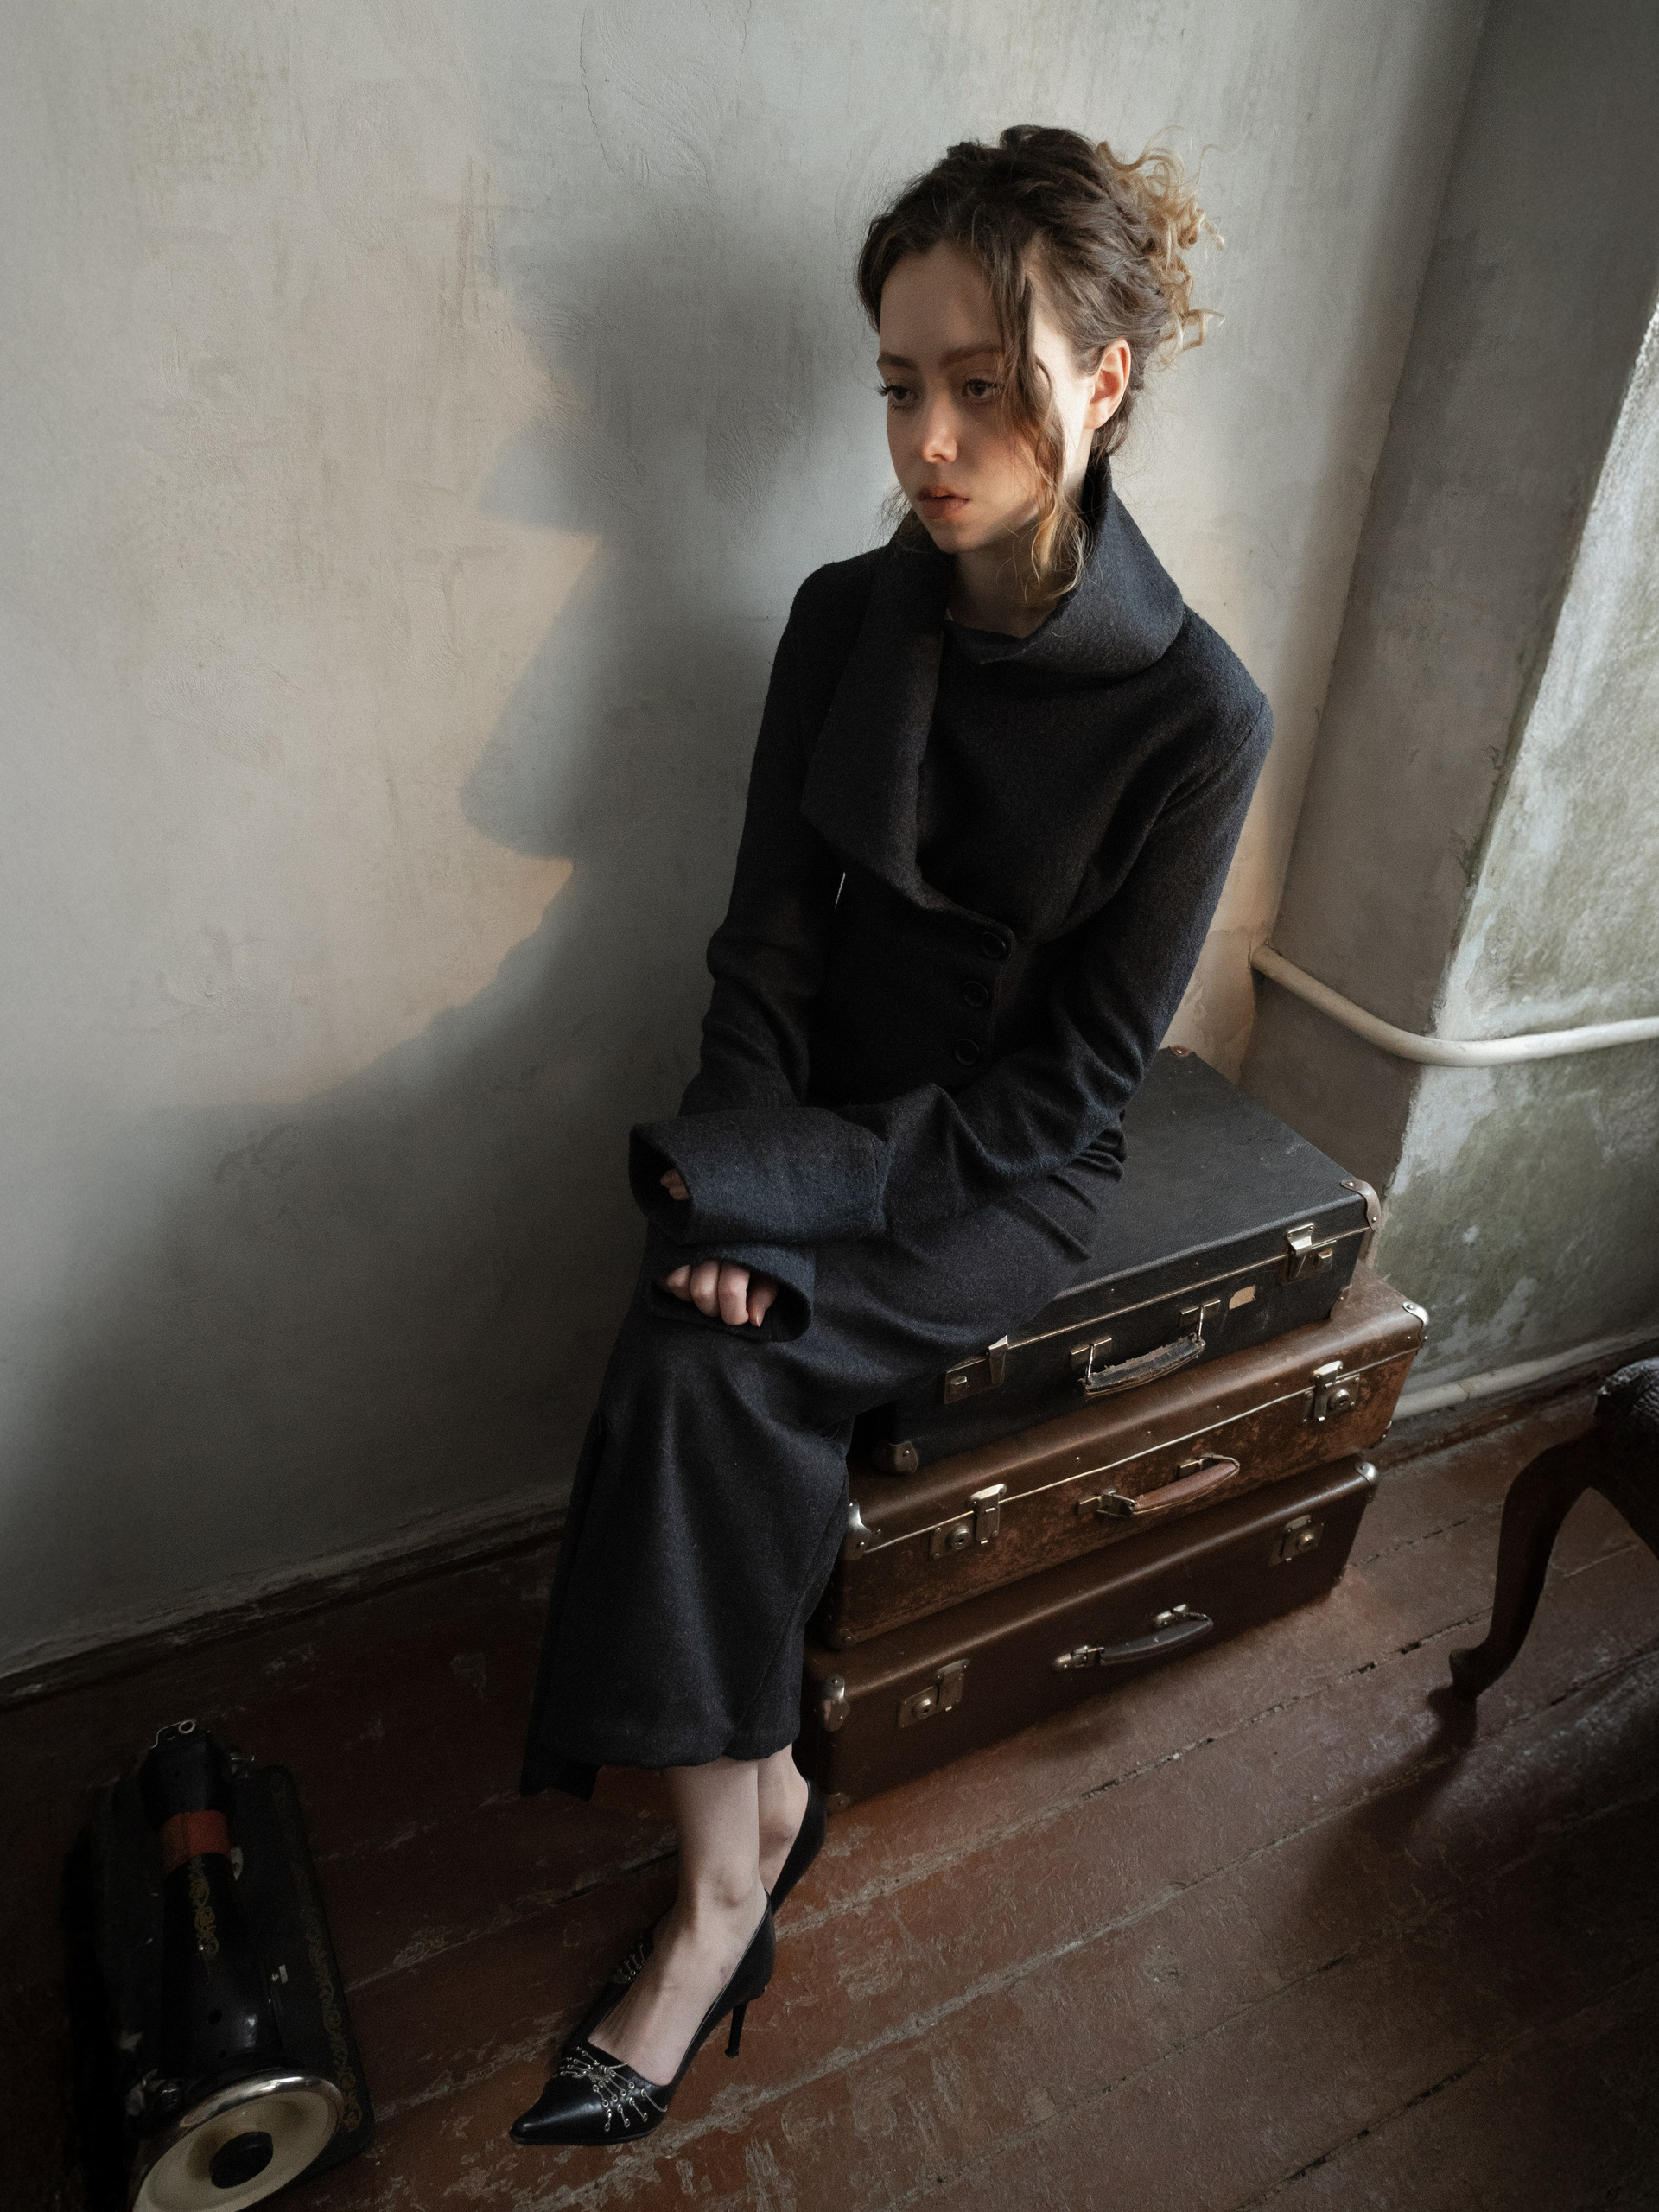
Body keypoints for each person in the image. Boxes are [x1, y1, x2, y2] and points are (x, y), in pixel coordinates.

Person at [510, 124, 1272, 2148]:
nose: (931, 441)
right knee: (690, 1328)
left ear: (1105, 380)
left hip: (998, 1173)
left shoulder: (1202, 715)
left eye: (985, 386)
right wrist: (739, 1163)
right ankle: (752, 1807)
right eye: (901, 385)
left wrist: (785, 1204)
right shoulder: (845, 615)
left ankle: (719, 1897)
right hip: (810, 1105)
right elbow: (766, 943)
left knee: (707, 1355)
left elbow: (1074, 1089)